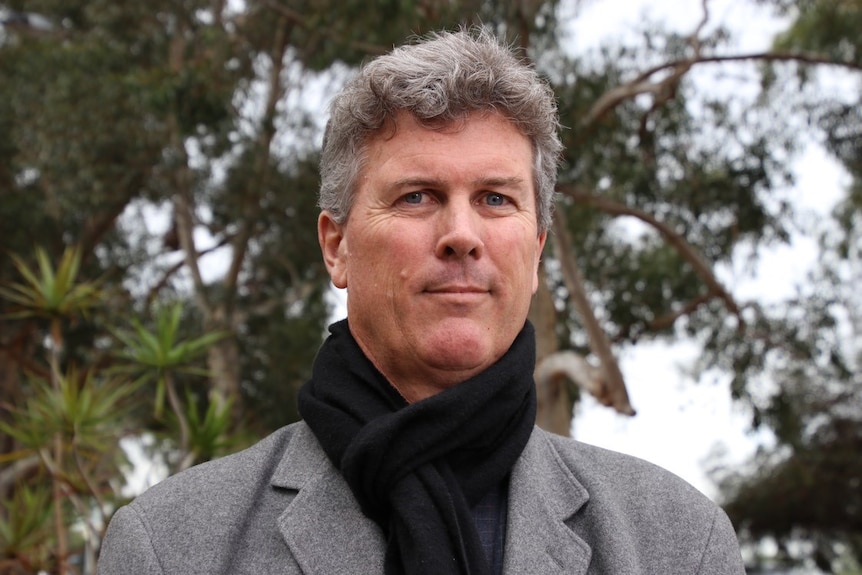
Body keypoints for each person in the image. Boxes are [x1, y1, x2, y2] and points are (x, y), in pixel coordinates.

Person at [97, 28, 746, 575]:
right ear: (336, 246)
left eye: (495, 198)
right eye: (418, 196)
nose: (462, 235)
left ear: (538, 249)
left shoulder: (680, 543)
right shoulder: (170, 546)